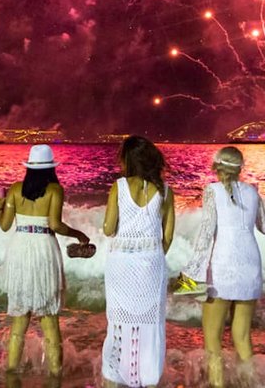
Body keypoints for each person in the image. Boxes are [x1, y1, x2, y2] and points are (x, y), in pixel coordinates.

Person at [178, 147, 265, 387]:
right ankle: (251, 384)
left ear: (217, 168)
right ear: (240, 168)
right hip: (250, 265)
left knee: (213, 341)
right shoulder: (253, 191)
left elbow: (206, 234)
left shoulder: (212, 191)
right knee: (242, 337)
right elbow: (264, 226)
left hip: (223, 265)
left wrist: (189, 276)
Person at [0, 144, 90, 377]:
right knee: (49, 320)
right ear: (51, 169)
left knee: (19, 320)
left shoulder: (16, 190)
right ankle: (55, 375)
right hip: (43, 248)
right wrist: (79, 234)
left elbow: (5, 225)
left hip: (20, 248)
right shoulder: (55, 190)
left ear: (29, 167)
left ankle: (10, 372)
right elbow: (56, 225)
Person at [101, 136, 175, 388]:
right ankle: (149, 379)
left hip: (120, 265)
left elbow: (109, 228)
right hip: (151, 264)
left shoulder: (118, 186)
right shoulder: (165, 191)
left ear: (128, 160)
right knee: (151, 324)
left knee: (118, 322)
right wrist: (151, 254)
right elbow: (168, 237)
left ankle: (114, 378)